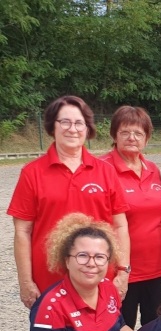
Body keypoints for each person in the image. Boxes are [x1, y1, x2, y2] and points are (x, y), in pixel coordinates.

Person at [8, 95, 131, 307]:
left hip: (99, 279)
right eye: (65, 122)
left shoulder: (105, 171)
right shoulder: (32, 173)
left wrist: (123, 271)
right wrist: (26, 281)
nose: (72, 129)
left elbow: (120, 225)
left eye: (78, 123)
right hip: (49, 281)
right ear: (52, 127)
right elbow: (22, 232)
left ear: (87, 128)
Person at [102, 106, 161, 328]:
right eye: (125, 132)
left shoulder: (152, 169)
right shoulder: (102, 169)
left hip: (158, 268)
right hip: (120, 272)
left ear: (147, 138)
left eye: (138, 133)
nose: (132, 138)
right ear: (114, 135)